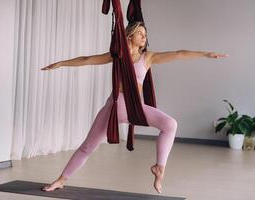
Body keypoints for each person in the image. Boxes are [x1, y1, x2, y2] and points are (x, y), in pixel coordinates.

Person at [40, 21, 229, 194]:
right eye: (140, 33)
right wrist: (61, 63)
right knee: (87, 147)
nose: (144, 37)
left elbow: (179, 53)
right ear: (129, 36)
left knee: (170, 124)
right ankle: (60, 180)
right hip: (115, 107)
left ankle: (159, 167)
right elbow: (87, 59)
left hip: (135, 108)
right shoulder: (118, 55)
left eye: (145, 34)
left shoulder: (148, 57)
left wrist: (205, 54)